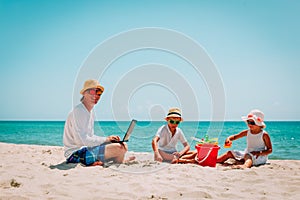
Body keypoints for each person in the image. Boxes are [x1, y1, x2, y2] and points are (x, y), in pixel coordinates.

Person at [63, 79, 134, 166]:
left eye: (99, 93)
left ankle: (118, 161)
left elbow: (90, 137)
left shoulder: (90, 112)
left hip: (86, 149)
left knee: (122, 145)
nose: (96, 95)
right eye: (92, 91)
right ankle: (117, 160)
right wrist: (106, 140)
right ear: (84, 93)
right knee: (119, 148)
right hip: (75, 154)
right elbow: (80, 140)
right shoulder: (79, 111)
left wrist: (108, 139)